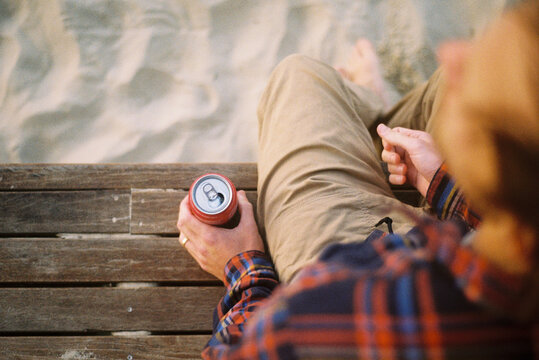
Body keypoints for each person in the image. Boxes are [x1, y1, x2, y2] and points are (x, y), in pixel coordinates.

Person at [176, 1, 538, 358]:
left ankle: (365, 105)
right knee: (447, 89)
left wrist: (245, 270)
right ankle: (375, 110)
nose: (452, 53)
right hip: (484, 228)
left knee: (299, 76)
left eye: (482, 107)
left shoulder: (338, 318)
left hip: (377, 262)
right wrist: (452, 188)